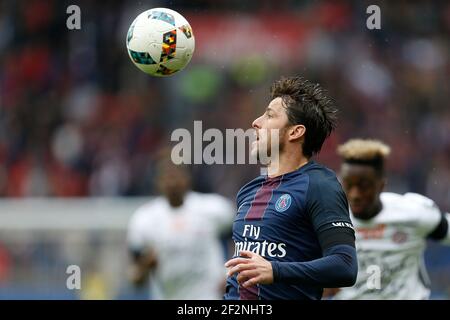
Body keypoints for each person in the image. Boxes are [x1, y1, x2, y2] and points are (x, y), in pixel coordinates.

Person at [223, 76, 358, 300]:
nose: (256, 122)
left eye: (269, 115)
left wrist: (275, 271)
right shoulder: (248, 191)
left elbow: (344, 266)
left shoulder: (319, 185)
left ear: (295, 132)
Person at [332, 138, 450, 299]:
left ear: (381, 185)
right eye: (348, 185)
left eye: (364, 186)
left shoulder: (413, 213)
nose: (355, 194)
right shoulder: (327, 223)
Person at [126, 154, 234, 299]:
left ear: (187, 178)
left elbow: (243, 237)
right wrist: (145, 265)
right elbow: (136, 278)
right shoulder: (144, 219)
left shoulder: (213, 208)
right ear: (158, 182)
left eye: (176, 175)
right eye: (167, 177)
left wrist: (230, 272)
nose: (172, 182)